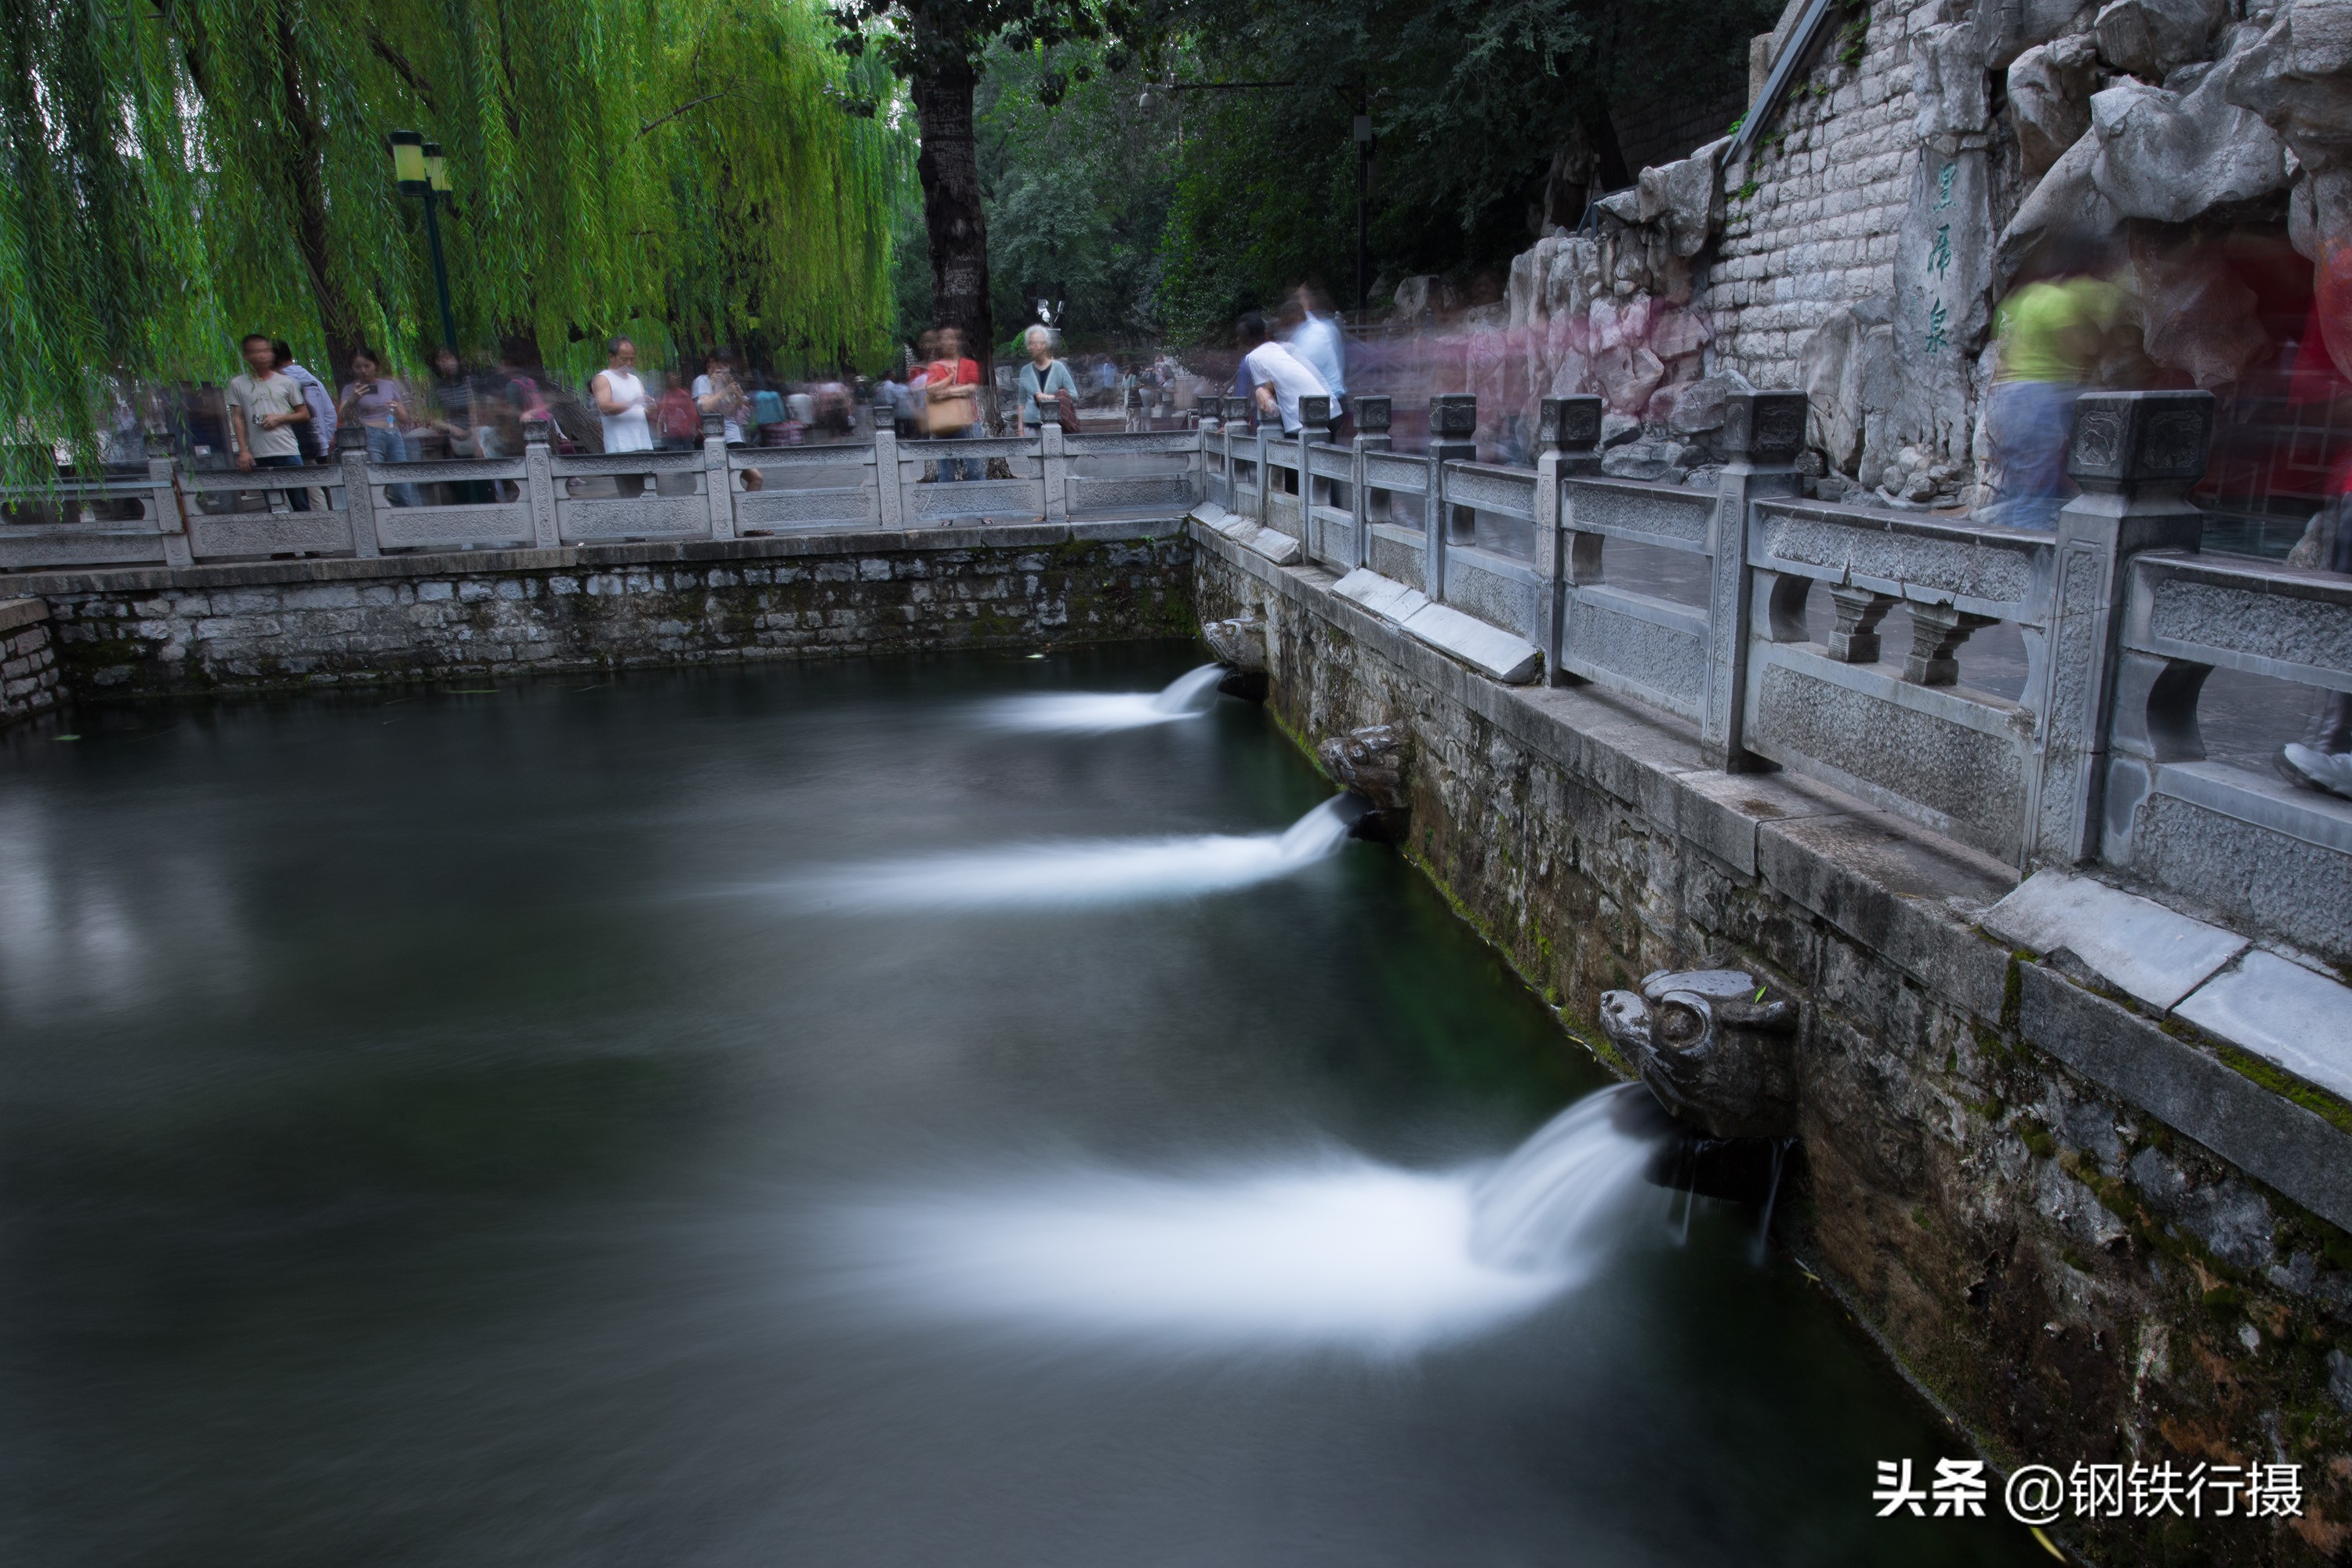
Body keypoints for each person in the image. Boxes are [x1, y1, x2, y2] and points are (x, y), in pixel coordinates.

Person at [1981, 233, 2128, 530]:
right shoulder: (2059, 301)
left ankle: (2013, 539)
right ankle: (2028, 554)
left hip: (2006, 397)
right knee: (2036, 488)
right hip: (2039, 397)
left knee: (2026, 480)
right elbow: (2081, 349)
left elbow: (2003, 344)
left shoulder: (2022, 297)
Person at [224, 332, 312, 510]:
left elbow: (304, 414)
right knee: (273, 506)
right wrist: (243, 451)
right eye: (256, 351)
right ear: (246, 356)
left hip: (287, 450)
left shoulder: (287, 382)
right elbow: (238, 418)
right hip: (260, 452)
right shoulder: (238, 384)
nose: (262, 355)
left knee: (301, 504)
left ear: (271, 353)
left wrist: (279, 418)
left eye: (265, 350)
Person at [336, 347, 423, 507]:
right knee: (377, 479)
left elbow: (405, 419)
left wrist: (396, 409)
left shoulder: (388, 385)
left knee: (401, 478)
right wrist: (353, 399)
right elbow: (341, 415)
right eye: (358, 367)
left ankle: (405, 513)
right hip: (369, 434)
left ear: (375, 365)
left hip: (392, 433)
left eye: (367, 366)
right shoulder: (351, 389)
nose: (363, 371)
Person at [1236, 310, 1330, 435]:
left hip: (1297, 422)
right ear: (1266, 333)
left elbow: (1263, 400)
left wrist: (1233, 423)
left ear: (1243, 341)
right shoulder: (1286, 348)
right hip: (1327, 409)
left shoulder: (1251, 359)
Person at [592, 336, 655, 497]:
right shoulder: (603, 378)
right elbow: (604, 407)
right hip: (622, 447)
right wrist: (633, 401)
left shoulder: (635, 379)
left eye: (632, 359)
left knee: (652, 494)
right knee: (632, 496)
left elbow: (643, 410)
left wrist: (653, 408)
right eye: (624, 359)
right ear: (611, 357)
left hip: (644, 445)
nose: (630, 364)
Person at [693, 349, 763, 490]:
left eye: (728, 365)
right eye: (722, 364)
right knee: (726, 486)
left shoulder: (728, 381)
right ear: (711, 364)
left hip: (735, 438)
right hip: (715, 441)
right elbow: (705, 407)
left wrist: (736, 395)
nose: (726, 368)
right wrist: (722, 391)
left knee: (756, 479)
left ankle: (742, 511)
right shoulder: (703, 381)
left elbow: (736, 412)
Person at [923, 326, 984, 481]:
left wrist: (947, 391)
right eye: (945, 338)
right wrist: (948, 381)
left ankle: (981, 501)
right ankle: (946, 502)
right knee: (946, 470)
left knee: (975, 468)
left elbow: (971, 388)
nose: (949, 342)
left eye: (952, 338)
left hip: (969, 419)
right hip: (945, 422)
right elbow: (930, 389)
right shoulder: (935, 367)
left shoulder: (969, 364)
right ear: (940, 343)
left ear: (958, 341)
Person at [1283, 285, 1348, 431]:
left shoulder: (1316, 333)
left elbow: (1299, 370)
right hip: (1321, 402)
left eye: (1300, 297)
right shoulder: (1305, 331)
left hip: (1326, 404)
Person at [272, 342, 338, 461]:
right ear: (290, 356)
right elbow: (330, 414)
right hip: (319, 446)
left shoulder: (277, 384)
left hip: (291, 449)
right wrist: (324, 439)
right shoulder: (314, 381)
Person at [1014, 325, 1078, 437]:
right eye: (1029, 344)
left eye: (1033, 343)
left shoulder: (1059, 368)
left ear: (1043, 345)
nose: (1029, 347)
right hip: (1030, 427)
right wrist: (1020, 430)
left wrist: (1049, 398)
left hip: (1055, 427)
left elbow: (1074, 395)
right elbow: (1021, 403)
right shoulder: (1025, 371)